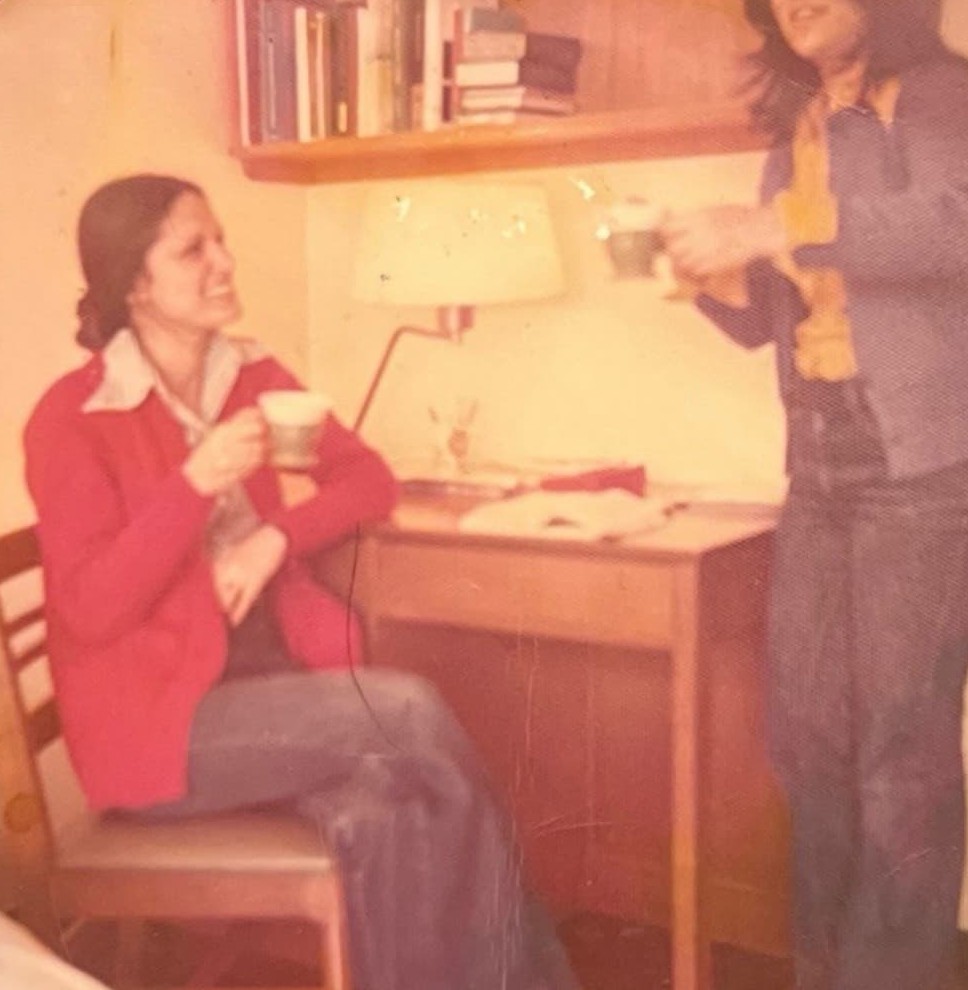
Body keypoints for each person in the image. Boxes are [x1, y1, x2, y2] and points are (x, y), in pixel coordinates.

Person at [24, 173, 579, 990]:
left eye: (220, 240)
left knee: (391, 806)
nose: (224, 262)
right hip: (158, 723)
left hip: (266, 685)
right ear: (134, 285)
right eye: (193, 250)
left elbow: (368, 478)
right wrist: (194, 484)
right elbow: (91, 608)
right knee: (407, 711)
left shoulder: (250, 376)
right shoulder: (73, 418)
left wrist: (271, 540)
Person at [660, 2, 968, 988]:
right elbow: (770, 317)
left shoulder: (938, 93)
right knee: (806, 746)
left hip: (918, 465)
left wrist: (769, 226)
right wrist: (703, 276)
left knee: (899, 759)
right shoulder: (794, 130)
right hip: (819, 461)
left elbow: (951, 223)